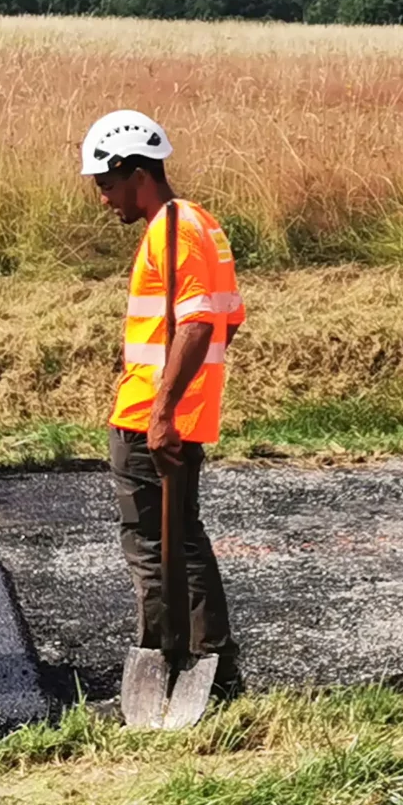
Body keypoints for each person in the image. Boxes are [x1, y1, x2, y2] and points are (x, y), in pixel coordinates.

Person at [81, 110, 247, 700]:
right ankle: (212, 667)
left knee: (151, 544)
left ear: (136, 173)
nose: (104, 199)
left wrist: (162, 411)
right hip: (177, 415)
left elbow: (198, 324)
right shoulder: (198, 224)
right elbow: (229, 319)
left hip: (150, 420)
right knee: (182, 539)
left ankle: (168, 664)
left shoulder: (174, 230)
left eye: (107, 184)